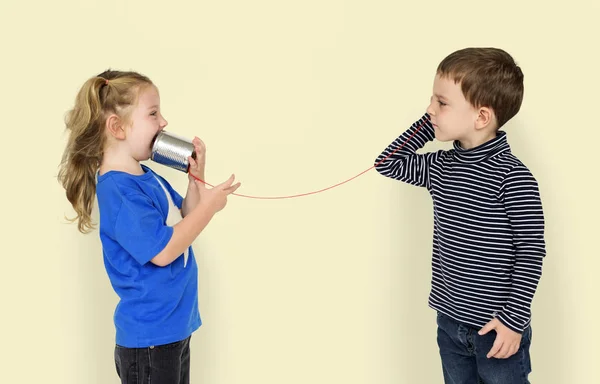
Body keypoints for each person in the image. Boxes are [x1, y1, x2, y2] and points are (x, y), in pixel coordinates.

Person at [374, 48, 546, 383]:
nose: (429, 109)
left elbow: (530, 251)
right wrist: (430, 124)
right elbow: (388, 163)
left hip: (497, 328)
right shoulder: (440, 166)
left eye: (441, 103)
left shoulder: (513, 177)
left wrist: (513, 320)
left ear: (481, 117)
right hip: (450, 322)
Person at [57, 69, 241, 384]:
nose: (164, 122)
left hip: (173, 328)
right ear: (117, 127)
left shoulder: (145, 176)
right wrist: (209, 208)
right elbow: (165, 250)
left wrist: (197, 180)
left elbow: (182, 218)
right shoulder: (120, 192)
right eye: (153, 114)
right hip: (150, 341)